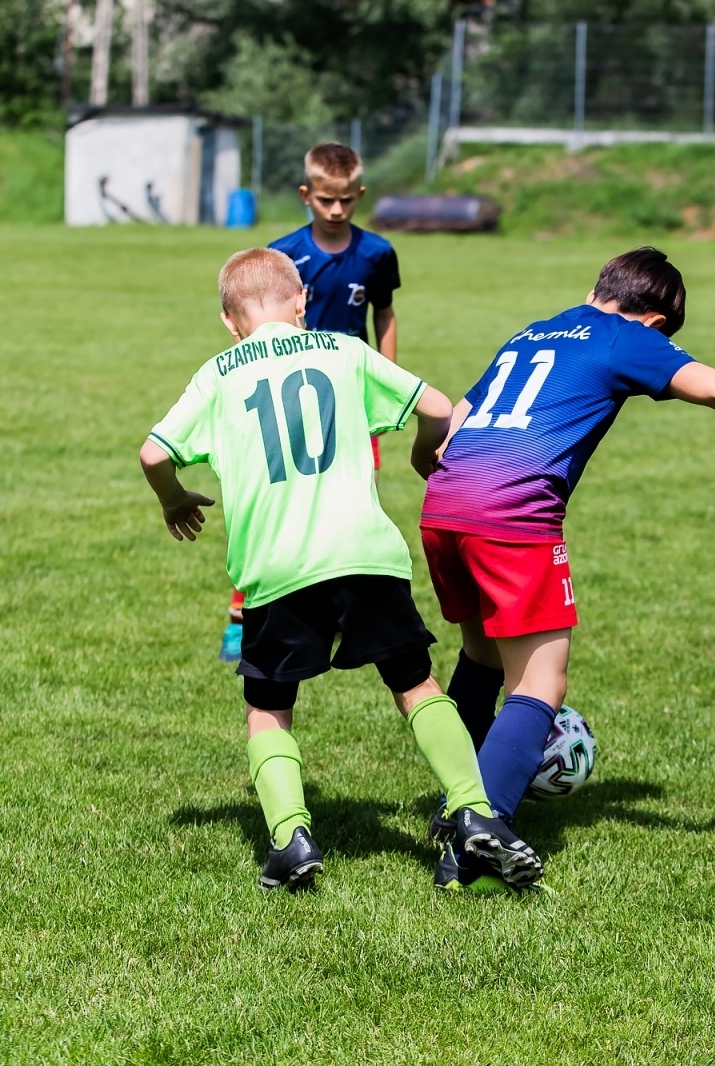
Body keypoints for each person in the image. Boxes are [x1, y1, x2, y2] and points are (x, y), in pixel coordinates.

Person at [416, 247, 715, 889]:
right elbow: (714, 388)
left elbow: (455, 422)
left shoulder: (533, 332)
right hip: (511, 514)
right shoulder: (626, 337)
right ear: (657, 323)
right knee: (541, 683)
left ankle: (456, 808)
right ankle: (477, 840)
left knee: (482, 656)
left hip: (446, 503)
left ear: (597, 288)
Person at [139, 247, 541, 892]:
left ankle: (291, 839)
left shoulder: (216, 375)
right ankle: (474, 811)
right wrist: (423, 451)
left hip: (276, 565)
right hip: (365, 554)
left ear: (229, 321)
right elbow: (438, 406)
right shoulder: (344, 350)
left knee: (268, 707)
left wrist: (174, 500)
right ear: (302, 301)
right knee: (415, 684)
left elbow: (153, 453)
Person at [218, 142, 403, 662]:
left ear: (360, 194)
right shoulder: (281, 256)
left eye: (346, 200)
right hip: (291, 403)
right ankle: (240, 616)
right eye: (326, 200)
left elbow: (384, 315)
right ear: (306, 194)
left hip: (350, 401)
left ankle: (345, 612)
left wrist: (385, 381)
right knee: (271, 509)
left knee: (353, 502)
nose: (336, 209)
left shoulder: (377, 253)